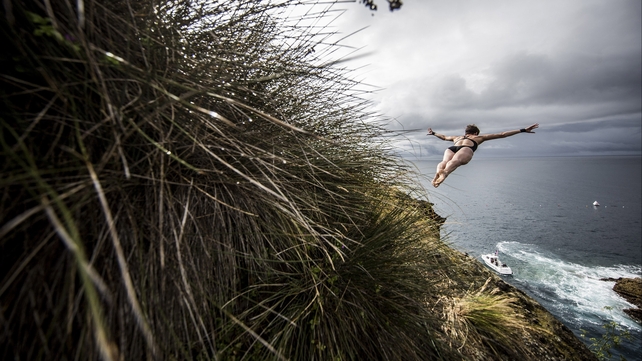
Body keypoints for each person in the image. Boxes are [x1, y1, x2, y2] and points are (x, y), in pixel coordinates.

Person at [426, 123, 539, 187]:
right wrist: (523, 130)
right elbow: (502, 134)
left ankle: (437, 173)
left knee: (445, 162)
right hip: (467, 148)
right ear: (475, 133)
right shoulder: (479, 137)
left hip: (452, 147)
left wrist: (434, 133)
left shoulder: (457, 137)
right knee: (455, 162)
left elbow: (444, 137)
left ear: (466, 132)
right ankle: (444, 173)